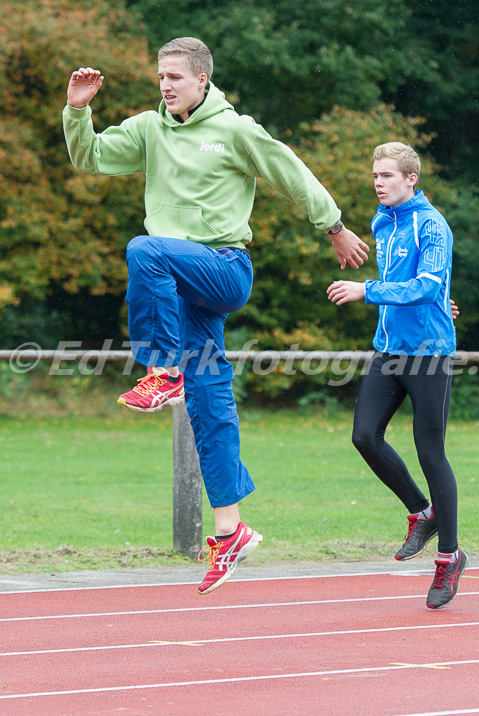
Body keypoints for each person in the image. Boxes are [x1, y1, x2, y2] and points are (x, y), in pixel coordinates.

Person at [63, 37, 369, 595]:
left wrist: (335, 225)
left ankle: (161, 371)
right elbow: (90, 157)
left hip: (225, 269)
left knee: (144, 248)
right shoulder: (148, 130)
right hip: (182, 288)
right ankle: (229, 530)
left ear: (203, 80)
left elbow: (291, 173)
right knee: (209, 400)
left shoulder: (235, 130)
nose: (165, 85)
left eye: (176, 76)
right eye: (160, 76)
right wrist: (78, 110)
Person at [327, 141, 467, 610]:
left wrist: (366, 290)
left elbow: (428, 284)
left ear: (411, 179)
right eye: (375, 176)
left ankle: (449, 557)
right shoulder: (380, 223)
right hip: (388, 351)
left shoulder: (433, 224)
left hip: (429, 354)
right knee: (365, 436)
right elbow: (421, 286)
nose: (379, 183)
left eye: (387, 176)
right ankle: (421, 512)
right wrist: (428, 298)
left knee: (431, 453)